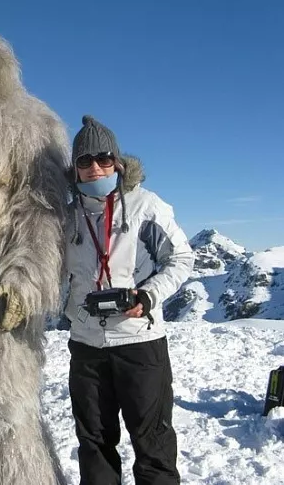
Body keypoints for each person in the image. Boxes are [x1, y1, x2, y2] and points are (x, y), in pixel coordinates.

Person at [64, 115, 194, 485]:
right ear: (74, 169)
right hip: (87, 344)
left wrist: (149, 295)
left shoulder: (146, 206)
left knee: (152, 440)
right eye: (85, 161)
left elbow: (182, 259)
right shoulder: (66, 216)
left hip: (140, 342)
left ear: (118, 163)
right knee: (94, 442)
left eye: (104, 158)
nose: (95, 168)